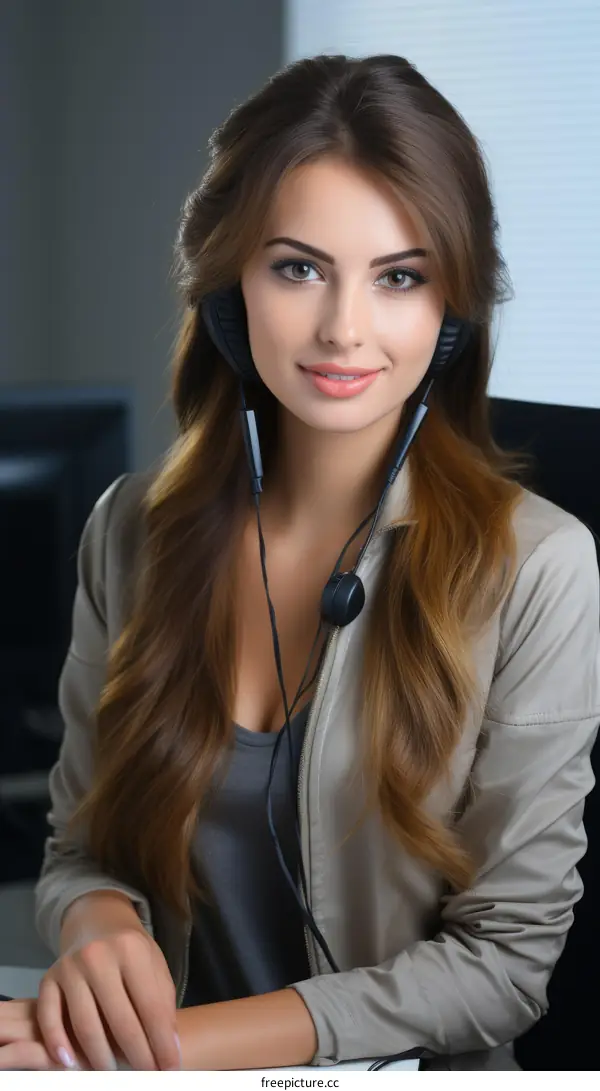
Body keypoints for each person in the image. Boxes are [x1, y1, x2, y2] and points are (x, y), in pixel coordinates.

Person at [0, 52, 598, 1073]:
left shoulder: (539, 569)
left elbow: (502, 967)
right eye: (298, 267)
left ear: (451, 315)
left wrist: (162, 1051)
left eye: (400, 276)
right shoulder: (133, 530)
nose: (343, 329)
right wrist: (97, 919)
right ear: (230, 289)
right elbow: (81, 847)